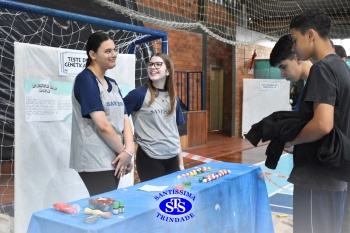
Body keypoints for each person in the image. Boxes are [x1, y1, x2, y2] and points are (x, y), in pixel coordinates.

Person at [285, 9, 350, 233]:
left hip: (317, 177)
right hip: (334, 176)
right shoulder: (342, 68)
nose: (293, 47)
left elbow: (323, 124)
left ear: (310, 35)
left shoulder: (322, 69)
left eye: (295, 39)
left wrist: (290, 140)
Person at [70, 32, 134, 196]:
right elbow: (102, 125)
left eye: (114, 50)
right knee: (103, 209)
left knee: (108, 208)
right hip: (95, 160)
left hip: (115, 157)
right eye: (108, 51)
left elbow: (125, 118)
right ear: (92, 54)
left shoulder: (112, 83)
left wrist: (129, 150)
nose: (114, 55)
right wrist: (124, 152)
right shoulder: (86, 80)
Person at [123, 53, 185, 182]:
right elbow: (118, 117)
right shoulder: (138, 94)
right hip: (149, 157)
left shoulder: (174, 99)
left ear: (168, 71)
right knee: (153, 199)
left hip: (173, 157)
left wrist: (181, 163)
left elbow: (175, 132)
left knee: (171, 197)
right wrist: (127, 145)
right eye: (151, 64)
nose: (153, 67)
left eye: (158, 64)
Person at [269, 34, 312, 111]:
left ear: (297, 58)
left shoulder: (320, 85)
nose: (282, 74)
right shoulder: (307, 89)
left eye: (283, 67)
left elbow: (322, 122)